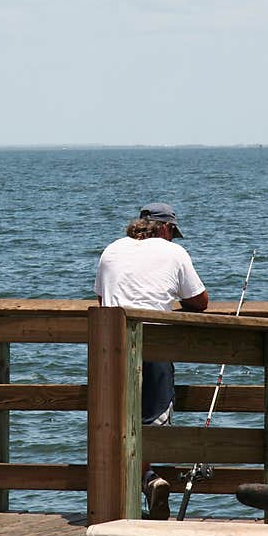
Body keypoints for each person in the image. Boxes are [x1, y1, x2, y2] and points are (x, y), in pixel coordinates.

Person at [94, 202, 209, 519]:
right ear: (165, 228)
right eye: (173, 232)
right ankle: (152, 484)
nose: (173, 238)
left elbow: (102, 300)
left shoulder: (112, 249)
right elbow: (200, 301)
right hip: (154, 345)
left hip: (112, 348)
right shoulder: (173, 253)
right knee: (157, 425)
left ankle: (135, 493)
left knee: (118, 422)